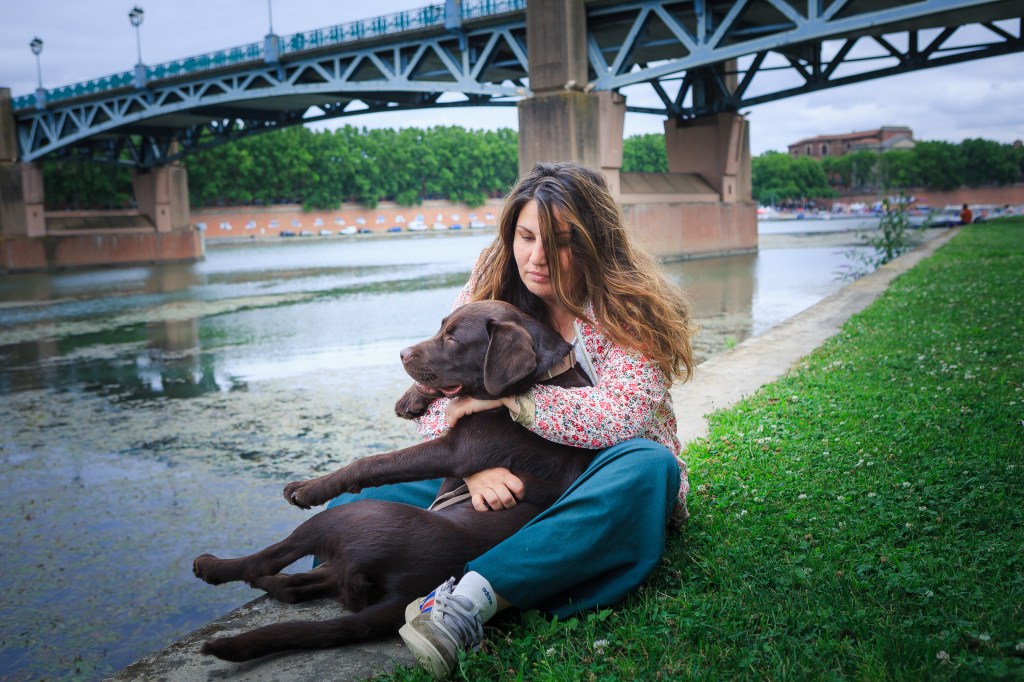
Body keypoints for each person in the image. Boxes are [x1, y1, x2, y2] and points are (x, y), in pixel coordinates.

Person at [326, 161, 696, 679]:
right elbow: (437, 393)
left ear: (595, 243)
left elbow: (617, 418)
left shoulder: (629, 308)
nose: (537, 257)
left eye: (562, 242)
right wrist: (475, 468)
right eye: (525, 236)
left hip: (593, 484)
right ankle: (383, 576)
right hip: (499, 477)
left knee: (651, 465)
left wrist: (512, 403)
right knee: (354, 502)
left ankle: (473, 602)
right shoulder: (493, 279)